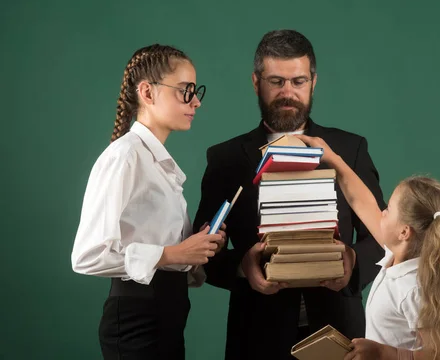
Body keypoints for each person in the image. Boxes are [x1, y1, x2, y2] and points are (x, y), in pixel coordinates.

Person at [192, 29, 386, 359]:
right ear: (256, 82)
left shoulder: (350, 150)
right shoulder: (225, 158)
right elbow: (201, 250)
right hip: (256, 337)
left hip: (339, 332)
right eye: (276, 81)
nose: (287, 92)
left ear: (313, 82)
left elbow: (384, 236)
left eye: (297, 81)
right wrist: (243, 266)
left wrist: (352, 261)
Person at [71, 44, 225, 360]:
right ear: (147, 92)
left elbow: (162, 253)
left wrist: (196, 248)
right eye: (185, 91)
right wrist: (174, 253)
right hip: (137, 322)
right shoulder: (125, 156)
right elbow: (87, 256)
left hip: (167, 316)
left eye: (196, 92)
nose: (195, 101)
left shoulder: (153, 160)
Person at [296, 134, 440, 360]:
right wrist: (332, 158)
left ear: (404, 232)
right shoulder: (397, 254)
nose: (382, 211)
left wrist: (384, 353)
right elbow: (362, 201)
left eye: (389, 209)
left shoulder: (414, 287)